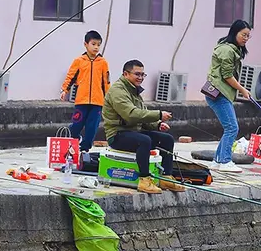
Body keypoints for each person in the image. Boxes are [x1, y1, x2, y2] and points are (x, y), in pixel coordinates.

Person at [101, 59, 185, 194]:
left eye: (142, 75)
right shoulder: (117, 91)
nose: (140, 78)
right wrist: (158, 114)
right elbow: (131, 115)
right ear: (126, 74)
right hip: (117, 135)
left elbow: (143, 117)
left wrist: (157, 125)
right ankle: (144, 180)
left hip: (134, 132)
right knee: (144, 140)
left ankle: (166, 178)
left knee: (167, 139)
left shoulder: (134, 91)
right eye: (137, 74)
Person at [204, 19, 252, 173]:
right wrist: (243, 90)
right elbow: (227, 76)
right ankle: (225, 161)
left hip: (220, 93)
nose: (245, 38)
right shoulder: (227, 50)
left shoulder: (232, 49)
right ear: (234, 32)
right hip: (219, 93)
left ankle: (218, 160)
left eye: (248, 36)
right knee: (232, 127)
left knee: (229, 127)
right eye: (243, 35)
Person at [60, 30, 111, 169]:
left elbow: (106, 82)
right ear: (86, 44)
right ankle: (72, 145)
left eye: (98, 45)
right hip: (81, 101)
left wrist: (109, 98)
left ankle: (84, 150)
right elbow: (71, 76)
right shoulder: (79, 61)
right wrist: (65, 89)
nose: (96, 47)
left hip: (97, 102)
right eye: (93, 44)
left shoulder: (103, 62)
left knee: (91, 128)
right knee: (76, 124)